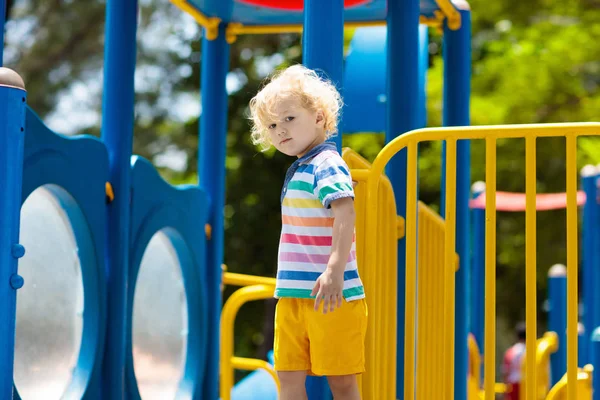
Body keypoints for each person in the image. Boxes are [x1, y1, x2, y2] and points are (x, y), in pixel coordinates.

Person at [249, 64, 367, 400]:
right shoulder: (300, 167)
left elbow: (345, 212)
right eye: (272, 125)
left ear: (318, 118)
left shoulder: (325, 163)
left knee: (341, 382)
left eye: (289, 118)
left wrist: (334, 270)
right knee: (287, 376)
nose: (280, 130)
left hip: (331, 295)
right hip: (292, 294)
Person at [503, 322, 527, 400]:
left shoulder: (511, 351)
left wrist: (505, 388)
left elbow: (506, 371)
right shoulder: (534, 351)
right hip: (528, 383)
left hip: (514, 384)